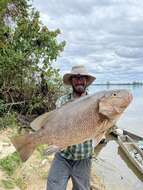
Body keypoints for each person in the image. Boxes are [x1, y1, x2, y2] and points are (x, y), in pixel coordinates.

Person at [46, 65, 96, 190]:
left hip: (84, 158)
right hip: (63, 156)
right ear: (71, 81)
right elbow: (54, 124)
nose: (79, 80)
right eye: (76, 78)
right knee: (53, 187)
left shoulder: (95, 102)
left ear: (86, 81)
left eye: (82, 78)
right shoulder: (62, 101)